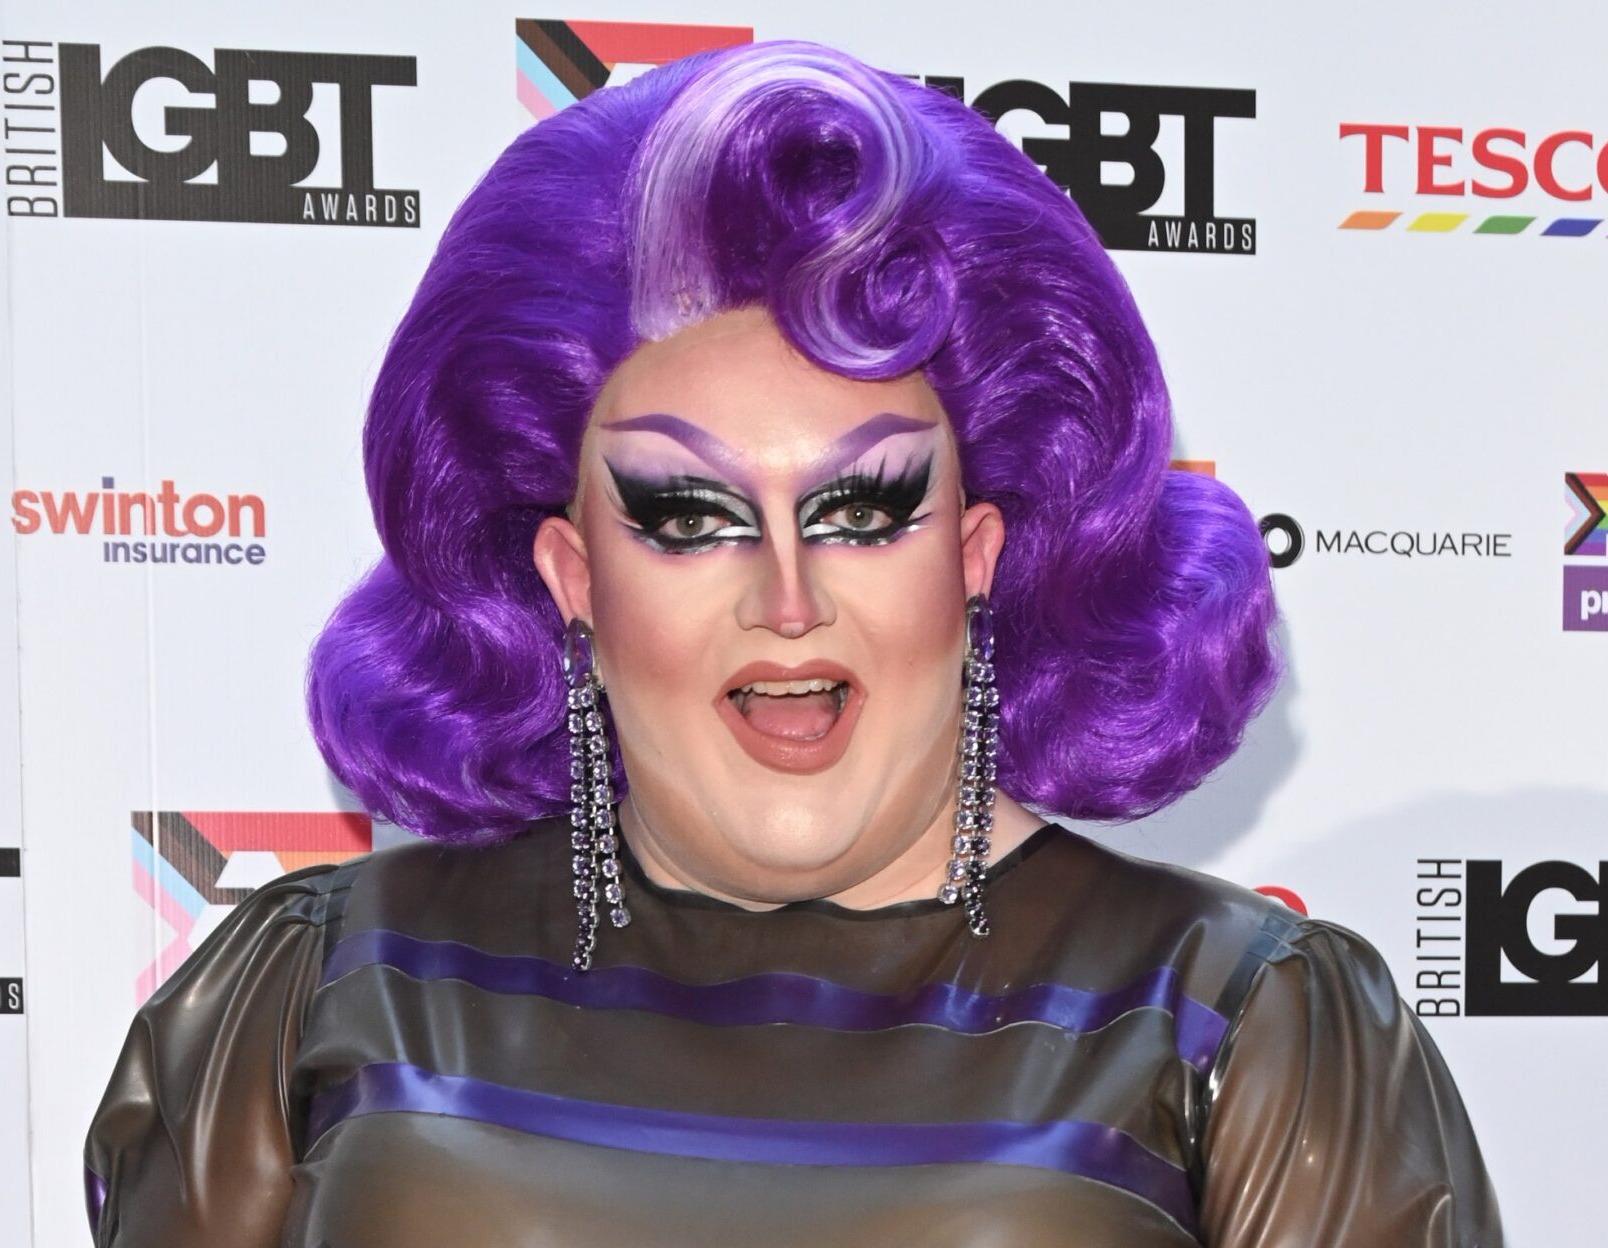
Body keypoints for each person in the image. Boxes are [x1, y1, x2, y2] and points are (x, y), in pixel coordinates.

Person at [83, 39, 1502, 1247]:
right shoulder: (325, 987)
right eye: (688, 515)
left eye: (864, 508)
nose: (786, 597)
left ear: (978, 553)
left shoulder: (1236, 1023)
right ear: (572, 573)